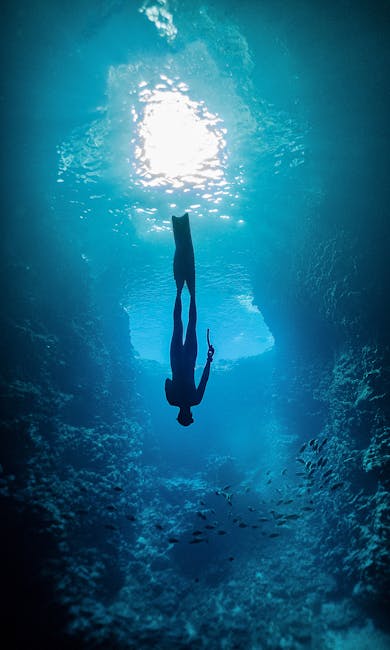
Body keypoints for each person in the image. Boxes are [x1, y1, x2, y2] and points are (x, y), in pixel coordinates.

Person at [165, 213, 214, 426]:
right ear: (179, 415)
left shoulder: (196, 400)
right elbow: (167, 382)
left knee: (191, 325)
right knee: (178, 325)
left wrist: (210, 358)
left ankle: (190, 292)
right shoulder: (172, 400)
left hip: (191, 357)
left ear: (190, 415)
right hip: (176, 358)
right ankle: (180, 291)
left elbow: (205, 376)